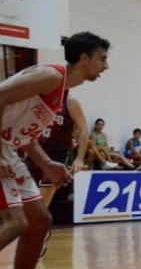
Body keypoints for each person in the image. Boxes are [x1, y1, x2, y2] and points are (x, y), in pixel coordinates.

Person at [0, 31, 111, 269]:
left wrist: (45, 163)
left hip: (6, 147)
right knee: (15, 222)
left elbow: (22, 131)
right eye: (102, 59)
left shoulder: (61, 90)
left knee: (39, 221)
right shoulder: (51, 75)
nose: (106, 66)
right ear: (84, 58)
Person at [23, 90, 92, 257]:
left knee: (42, 201)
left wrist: (79, 158)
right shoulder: (35, 99)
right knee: (29, 204)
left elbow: (84, 129)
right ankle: (41, 232)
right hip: (34, 154)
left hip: (57, 156)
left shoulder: (70, 101)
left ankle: (36, 238)